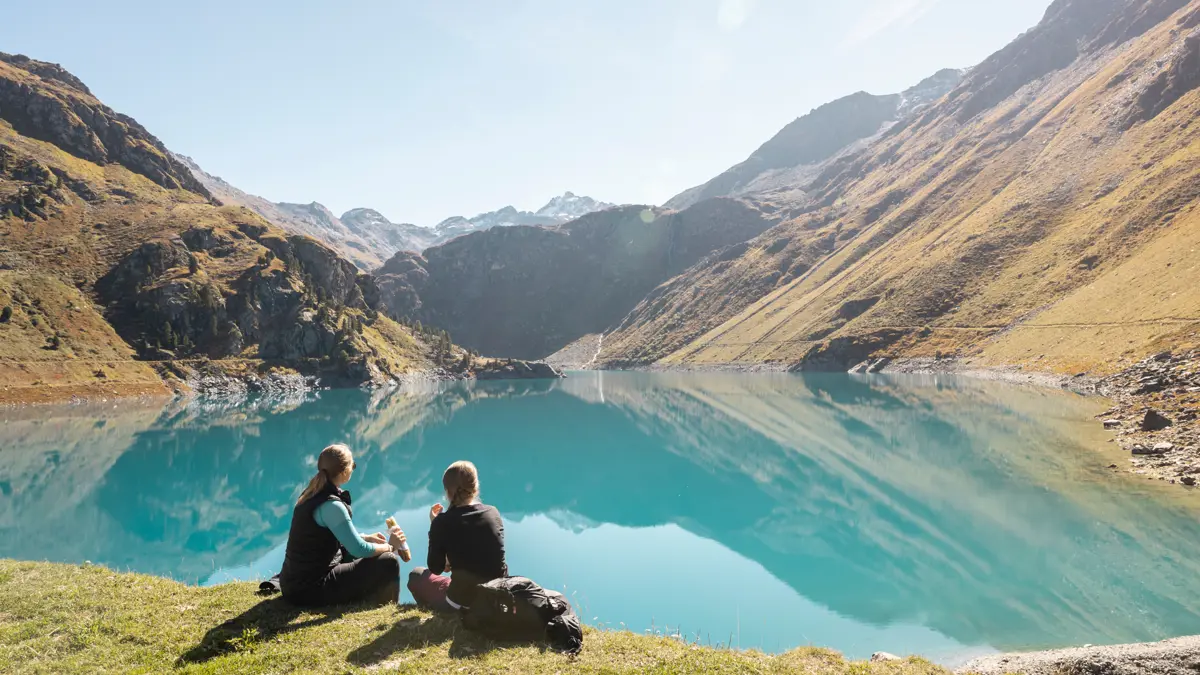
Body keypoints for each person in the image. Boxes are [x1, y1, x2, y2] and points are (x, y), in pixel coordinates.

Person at [279, 443, 408, 607]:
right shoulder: (332, 505)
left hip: (292, 583)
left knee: (356, 554)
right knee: (389, 561)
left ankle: (369, 600)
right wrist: (390, 546)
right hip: (311, 590)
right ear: (344, 471)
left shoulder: (311, 493)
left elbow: (326, 538)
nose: (353, 469)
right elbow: (359, 549)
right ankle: (385, 609)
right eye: (352, 465)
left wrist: (366, 537)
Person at [408, 460, 508, 611]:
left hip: (463, 602)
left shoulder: (442, 522)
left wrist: (435, 526)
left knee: (416, 575)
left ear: (447, 491)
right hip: (497, 599)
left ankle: (433, 612)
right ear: (476, 487)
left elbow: (436, 568)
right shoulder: (493, 513)